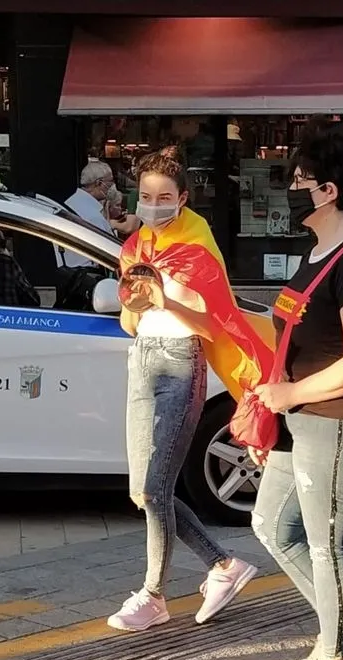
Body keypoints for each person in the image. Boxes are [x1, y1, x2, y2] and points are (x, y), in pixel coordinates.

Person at [249, 117, 343, 660]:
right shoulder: (319, 252)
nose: (290, 187)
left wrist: (290, 395)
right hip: (302, 421)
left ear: (328, 190)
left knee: (330, 545)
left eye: (299, 178)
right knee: (271, 526)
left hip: (339, 422)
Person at [108, 147, 257, 633]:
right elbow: (131, 324)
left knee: (154, 488)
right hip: (142, 359)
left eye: (164, 197)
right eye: (146, 196)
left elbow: (216, 324)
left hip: (180, 359)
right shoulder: (134, 249)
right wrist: (131, 300)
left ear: (183, 199)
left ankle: (153, 594)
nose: (153, 204)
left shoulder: (197, 247)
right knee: (143, 491)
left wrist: (165, 295)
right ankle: (223, 565)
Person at [59, 160, 115, 268]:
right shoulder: (92, 216)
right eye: (110, 181)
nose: (112, 185)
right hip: (87, 275)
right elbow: (109, 250)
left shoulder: (71, 202)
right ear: (99, 183)